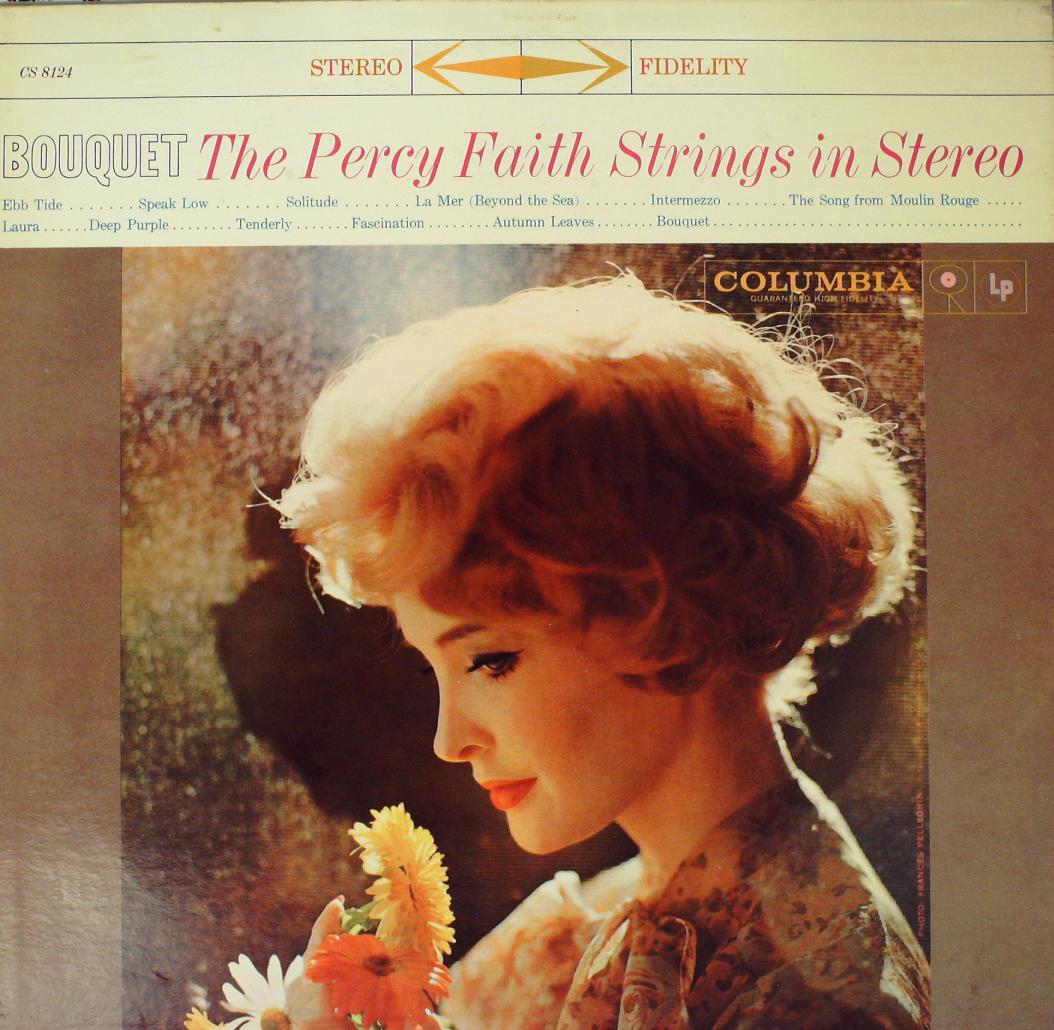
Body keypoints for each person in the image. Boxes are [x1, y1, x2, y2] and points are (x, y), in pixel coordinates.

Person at [277, 273, 931, 1029]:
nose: (450, 740)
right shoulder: (605, 926)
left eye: (490, 661)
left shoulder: (819, 1002)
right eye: (436, 667)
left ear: (661, 609)